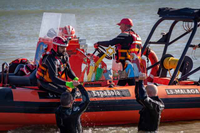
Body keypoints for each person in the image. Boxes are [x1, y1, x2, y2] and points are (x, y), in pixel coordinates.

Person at [94, 18, 142, 86]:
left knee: (130, 82)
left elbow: (110, 43)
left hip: (127, 66)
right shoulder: (136, 36)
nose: (119, 27)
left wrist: (98, 43)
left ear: (124, 25)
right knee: (123, 81)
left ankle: (136, 93)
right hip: (132, 64)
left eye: (121, 25)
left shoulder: (125, 35)